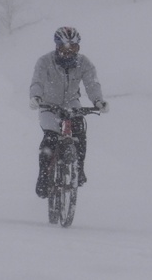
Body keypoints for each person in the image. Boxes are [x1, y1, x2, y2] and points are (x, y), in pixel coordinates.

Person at [30, 26, 109, 198]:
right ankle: (43, 178)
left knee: (80, 130)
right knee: (50, 138)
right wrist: (36, 97)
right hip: (49, 105)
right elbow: (37, 81)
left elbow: (92, 84)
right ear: (57, 46)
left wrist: (98, 101)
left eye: (74, 47)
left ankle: (78, 169)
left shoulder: (84, 63)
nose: (69, 52)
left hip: (71, 103)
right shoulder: (44, 62)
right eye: (66, 47)